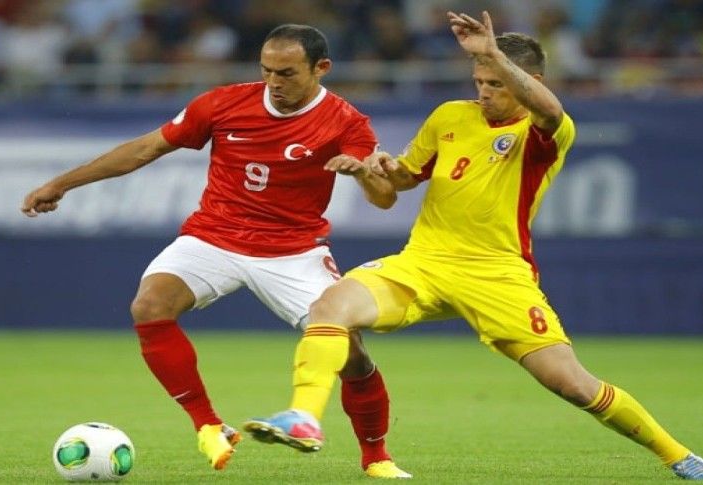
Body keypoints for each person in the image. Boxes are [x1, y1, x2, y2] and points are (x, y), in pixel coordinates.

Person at [244, 11, 703, 481]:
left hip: (497, 273)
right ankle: (303, 416)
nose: (484, 93)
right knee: (330, 306)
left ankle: (678, 455)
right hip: (423, 263)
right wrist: (373, 170)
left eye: (496, 84)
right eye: (480, 82)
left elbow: (551, 111)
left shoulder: (543, 131)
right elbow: (402, 181)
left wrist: (492, 52)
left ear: (529, 82)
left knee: (573, 385)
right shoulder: (450, 116)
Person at [21, 24, 411, 479]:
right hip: (214, 236)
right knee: (149, 305)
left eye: (286, 73)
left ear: (321, 68)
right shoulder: (224, 103)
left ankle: (376, 456)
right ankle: (208, 425)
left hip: (292, 250)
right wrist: (62, 184)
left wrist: (361, 173)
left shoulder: (347, 121)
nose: (273, 82)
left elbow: (385, 198)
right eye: (266, 70)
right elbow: (146, 148)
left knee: (350, 353)